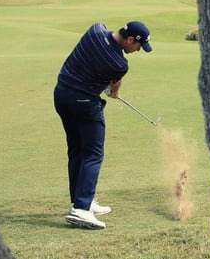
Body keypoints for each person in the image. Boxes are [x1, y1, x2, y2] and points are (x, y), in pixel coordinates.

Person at [54, 20, 153, 229]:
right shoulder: (119, 64)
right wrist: (114, 91)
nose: (137, 51)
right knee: (93, 154)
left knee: (77, 151)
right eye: (138, 46)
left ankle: (83, 201)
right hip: (84, 104)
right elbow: (114, 88)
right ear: (129, 40)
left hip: (61, 94)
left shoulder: (95, 29)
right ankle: (81, 210)